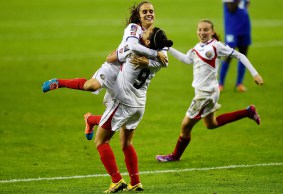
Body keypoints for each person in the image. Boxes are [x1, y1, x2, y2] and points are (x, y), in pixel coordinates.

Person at [42, 1, 167, 140]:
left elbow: (165, 61)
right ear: (138, 15)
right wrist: (154, 54)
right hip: (115, 64)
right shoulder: (134, 28)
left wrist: (149, 61)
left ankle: (91, 120)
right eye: (145, 12)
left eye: (151, 11)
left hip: (128, 73)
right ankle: (59, 82)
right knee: (91, 86)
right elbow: (131, 47)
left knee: (119, 116)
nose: (149, 14)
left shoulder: (156, 35)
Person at [155, 19, 263, 162]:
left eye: (206, 30)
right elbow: (187, 60)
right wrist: (168, 47)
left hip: (205, 95)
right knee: (211, 124)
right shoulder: (197, 46)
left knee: (185, 126)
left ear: (212, 31)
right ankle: (248, 111)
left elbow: (240, 55)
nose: (202, 32)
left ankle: (175, 156)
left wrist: (255, 74)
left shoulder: (216, 46)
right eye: (199, 29)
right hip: (207, 92)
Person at [94, 26, 173, 193]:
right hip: (139, 106)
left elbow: (110, 58)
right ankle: (136, 182)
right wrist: (156, 54)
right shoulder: (158, 63)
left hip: (124, 103)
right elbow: (164, 61)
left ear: (147, 42)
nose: (141, 33)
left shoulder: (134, 53)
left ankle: (116, 180)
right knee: (126, 143)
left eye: (144, 34)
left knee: (101, 141)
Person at [219, 0, 251, 92]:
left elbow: (247, 5)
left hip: (245, 27)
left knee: (243, 55)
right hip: (232, 29)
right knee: (228, 55)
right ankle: (220, 84)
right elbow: (231, 8)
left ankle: (239, 84)